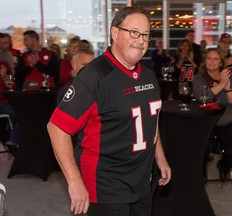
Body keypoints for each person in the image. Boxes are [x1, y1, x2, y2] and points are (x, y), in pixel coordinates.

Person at [47, 6, 171, 216]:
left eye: (146, 35)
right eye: (134, 32)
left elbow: (151, 121)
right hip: (105, 186)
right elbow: (57, 128)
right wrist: (75, 182)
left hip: (142, 180)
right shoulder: (93, 77)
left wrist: (160, 157)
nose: (140, 40)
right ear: (115, 33)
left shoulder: (149, 76)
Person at [193, 48, 232, 182]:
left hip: (227, 120)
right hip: (206, 121)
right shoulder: (199, 78)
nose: (212, 61)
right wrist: (222, 84)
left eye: (215, 58)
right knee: (202, 150)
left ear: (221, 62)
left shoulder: (230, 78)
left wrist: (227, 88)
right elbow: (202, 97)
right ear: (205, 61)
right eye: (209, 58)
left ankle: (223, 165)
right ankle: (201, 176)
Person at [0, 61, 20, 151]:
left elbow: (12, 84)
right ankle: (14, 141)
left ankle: (13, 141)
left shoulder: (4, 64)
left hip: (8, 100)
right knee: (22, 114)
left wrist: (5, 79)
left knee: (23, 113)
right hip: (2, 102)